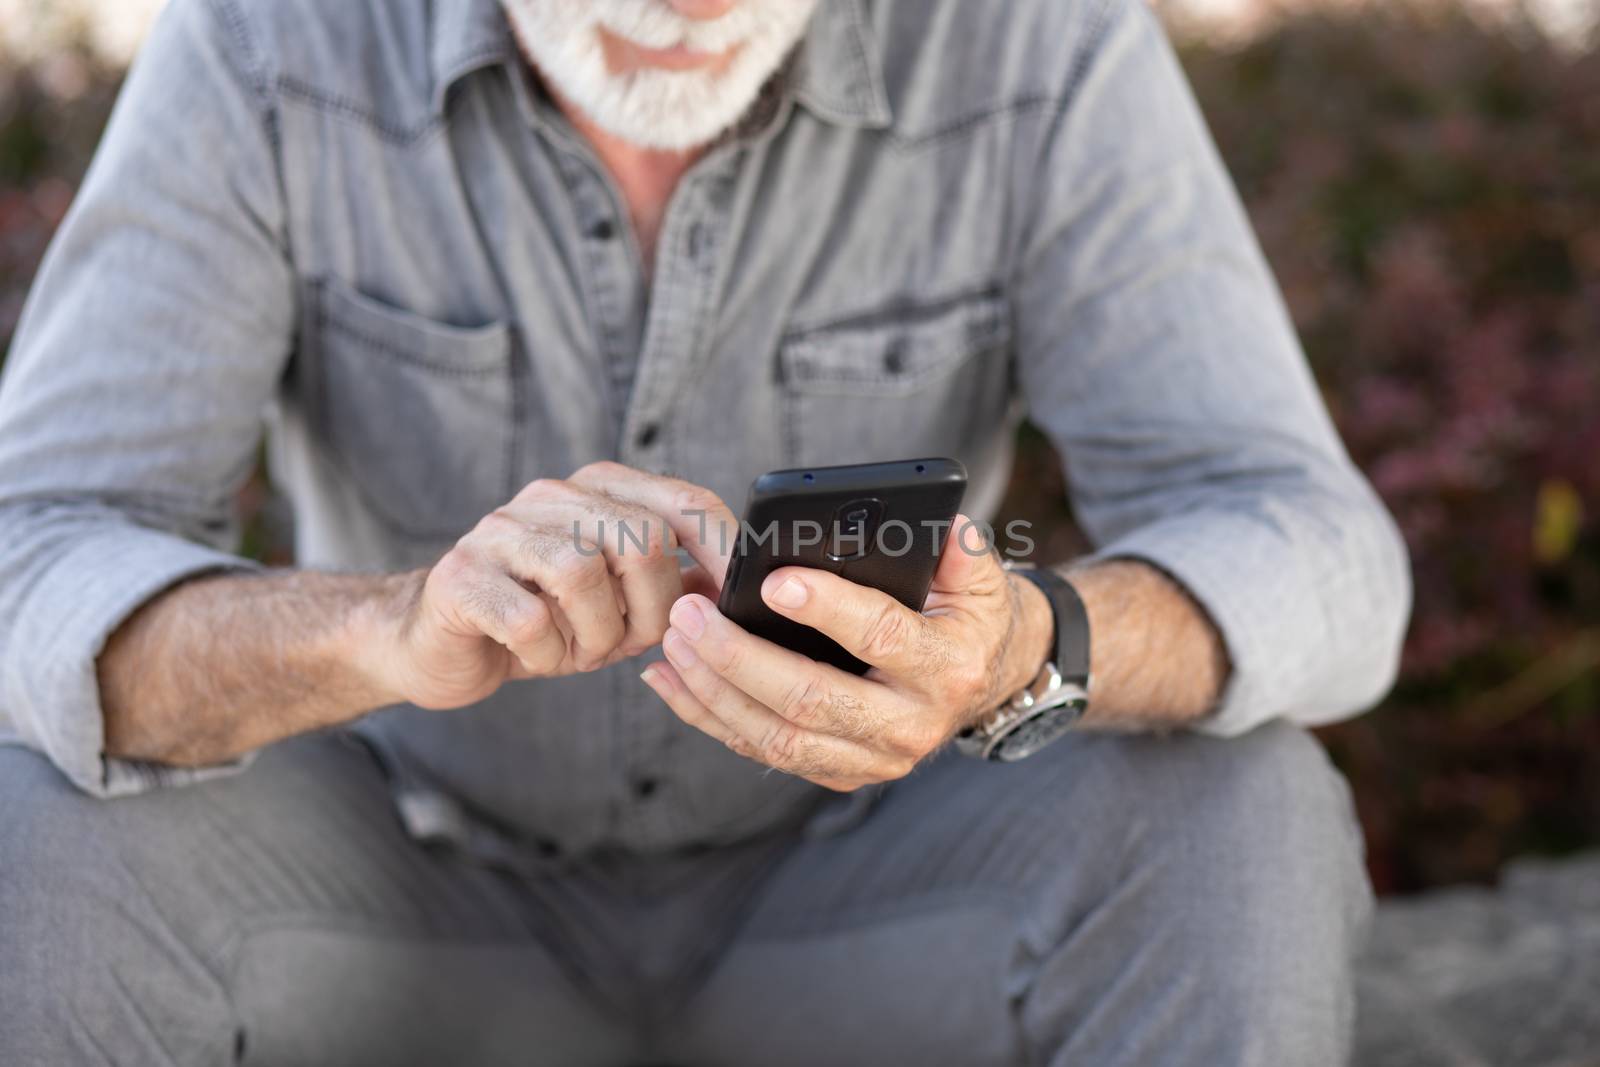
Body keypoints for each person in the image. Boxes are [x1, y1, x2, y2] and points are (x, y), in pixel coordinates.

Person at [0, 0, 1411, 1062]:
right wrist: (382, 628)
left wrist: (1030, 647)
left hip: (875, 896)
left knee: (1244, 809)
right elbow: (36, 549)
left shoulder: (1033, 40)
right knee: (38, 823)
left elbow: (1313, 546)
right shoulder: (268, 37)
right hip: (405, 900)